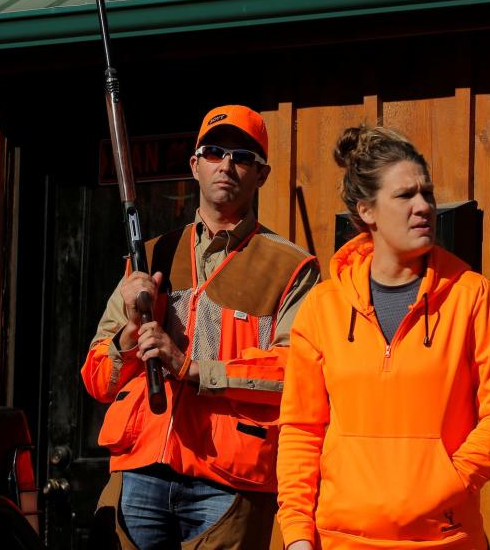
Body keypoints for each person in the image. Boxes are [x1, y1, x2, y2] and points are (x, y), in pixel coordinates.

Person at [276, 125, 490, 550]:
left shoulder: (471, 296)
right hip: (343, 539)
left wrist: (451, 479)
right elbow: (302, 429)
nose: (423, 207)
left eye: (426, 194)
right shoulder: (323, 307)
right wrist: (297, 535)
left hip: (445, 538)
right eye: (405, 196)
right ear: (367, 211)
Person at [82, 105, 320, 549]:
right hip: (142, 471)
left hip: (227, 481)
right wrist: (130, 336)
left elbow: (297, 374)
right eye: (214, 152)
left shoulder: (292, 267)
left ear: (261, 175)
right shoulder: (150, 255)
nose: (227, 165)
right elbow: (97, 379)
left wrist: (192, 368)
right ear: (195, 165)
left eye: (243, 157)